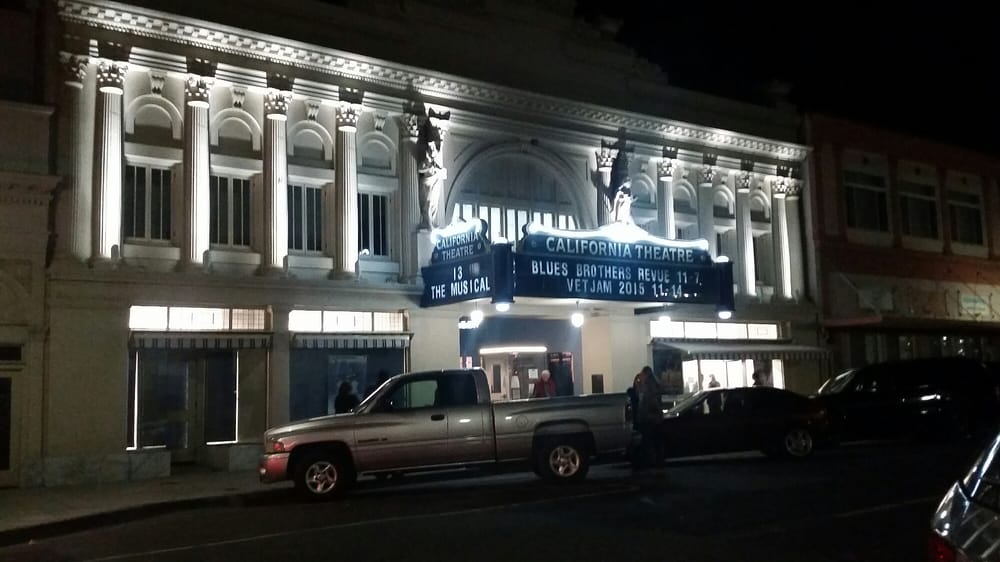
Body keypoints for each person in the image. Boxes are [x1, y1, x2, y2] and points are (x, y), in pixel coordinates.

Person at [634, 365, 665, 468]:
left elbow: (647, 401)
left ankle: (652, 462)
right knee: (656, 442)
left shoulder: (649, 386)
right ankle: (657, 462)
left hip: (649, 418)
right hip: (654, 418)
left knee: (649, 441)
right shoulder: (654, 384)